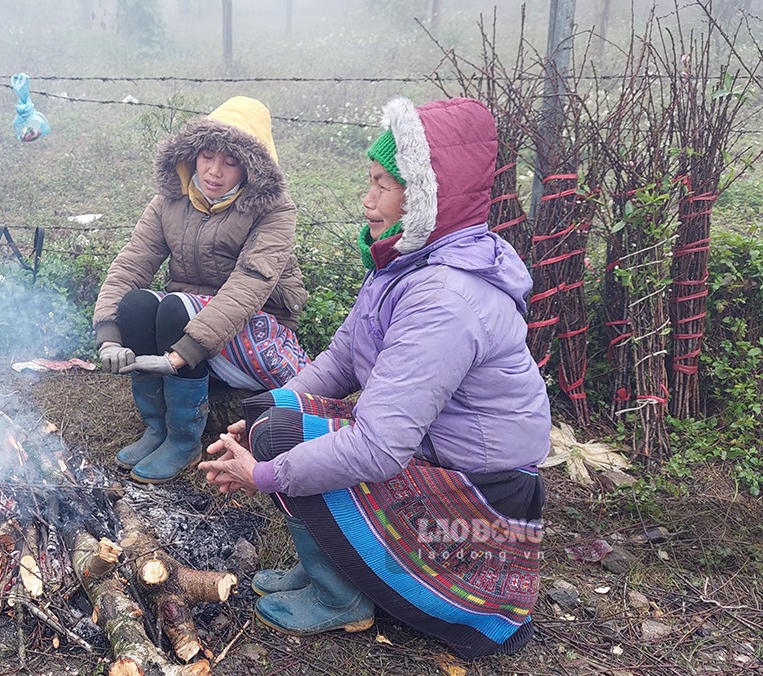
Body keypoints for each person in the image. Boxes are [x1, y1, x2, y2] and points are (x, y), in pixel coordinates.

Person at [200, 96, 551, 660]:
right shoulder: (405, 265)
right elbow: (339, 363)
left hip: (477, 495)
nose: (367, 201)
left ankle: (341, 597)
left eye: (382, 184)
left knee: (281, 443)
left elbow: (380, 448)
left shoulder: (446, 298)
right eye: (370, 181)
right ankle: (327, 573)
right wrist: (260, 409)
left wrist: (263, 473)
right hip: (435, 453)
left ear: (426, 197)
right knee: (274, 418)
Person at [93, 96, 309, 484]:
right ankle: (156, 427)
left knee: (175, 307)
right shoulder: (170, 199)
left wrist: (182, 354)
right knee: (137, 303)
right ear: (193, 154)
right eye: (208, 156)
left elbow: (249, 286)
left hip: (257, 324)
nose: (214, 171)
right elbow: (133, 262)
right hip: (189, 314)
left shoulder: (273, 209)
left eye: (231, 162)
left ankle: (183, 438)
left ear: (251, 167)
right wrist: (109, 336)